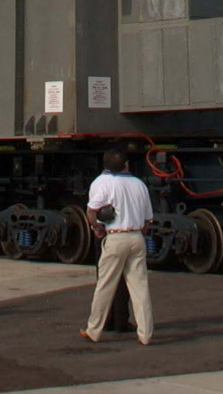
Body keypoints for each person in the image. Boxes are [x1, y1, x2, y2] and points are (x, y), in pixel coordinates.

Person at [81, 148, 154, 346]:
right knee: (140, 288)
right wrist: (139, 233)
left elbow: (91, 211)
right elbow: (148, 220)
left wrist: (97, 228)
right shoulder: (140, 184)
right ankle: (145, 334)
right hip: (136, 237)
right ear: (126, 164)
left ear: (105, 165)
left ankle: (93, 330)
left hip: (115, 237)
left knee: (105, 285)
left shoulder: (102, 183)